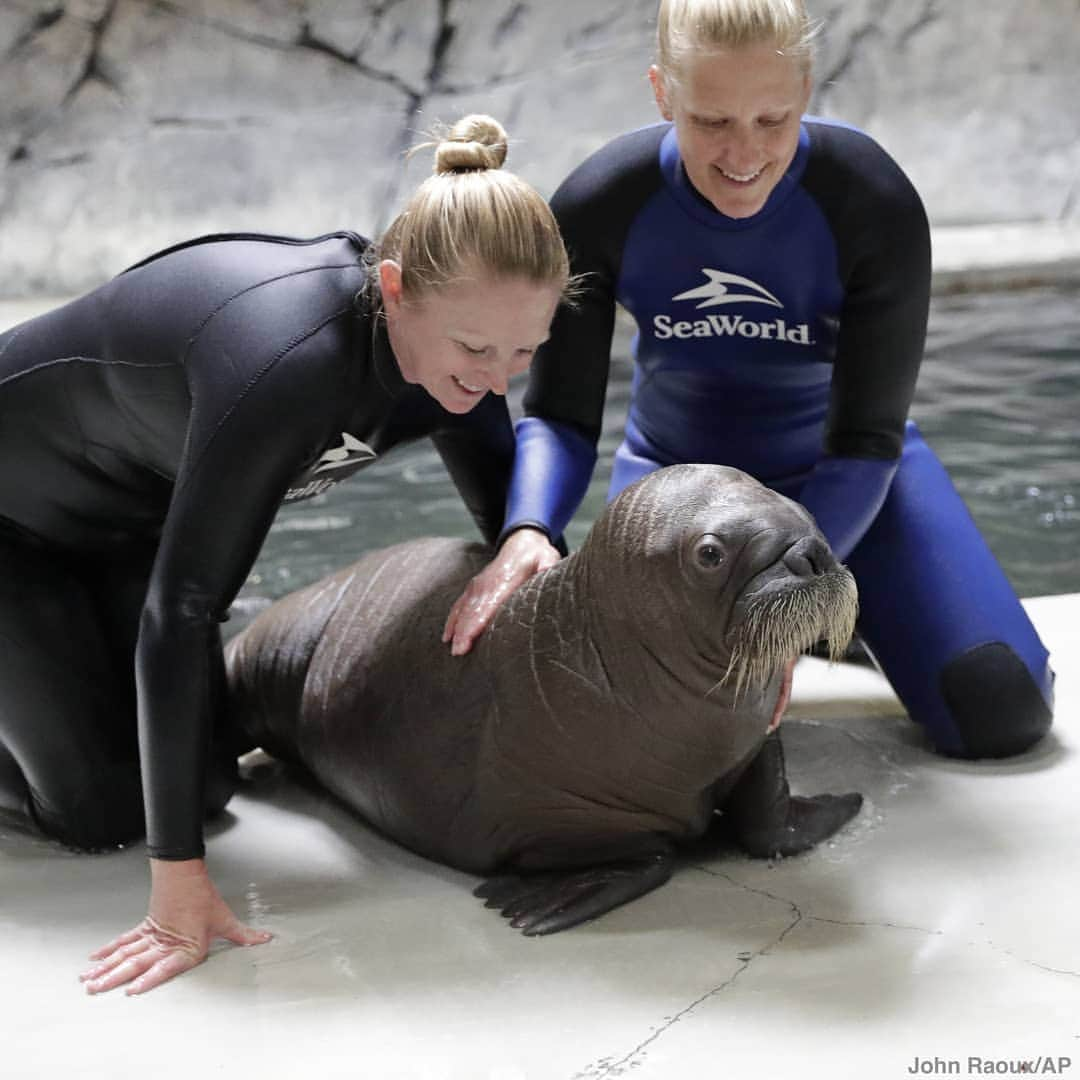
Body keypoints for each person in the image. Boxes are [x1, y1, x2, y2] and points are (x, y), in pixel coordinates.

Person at [0, 115, 571, 995]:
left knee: (209, 776)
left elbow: (513, 516)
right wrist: (176, 891)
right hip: (11, 536)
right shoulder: (286, 360)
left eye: (525, 351)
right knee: (104, 815)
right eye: (477, 349)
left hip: (112, 526)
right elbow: (182, 612)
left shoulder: (449, 367)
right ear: (394, 290)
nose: (497, 380)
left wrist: (533, 540)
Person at [443, 0, 1055, 761]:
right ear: (663, 92)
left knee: (998, 710)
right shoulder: (605, 201)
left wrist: (791, 596)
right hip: (683, 497)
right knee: (635, 748)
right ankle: (851, 624)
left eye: (773, 120)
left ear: (806, 87)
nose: (743, 154)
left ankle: (853, 621)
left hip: (847, 481)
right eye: (710, 121)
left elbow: (867, 440)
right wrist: (527, 530)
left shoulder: (868, 198)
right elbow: (564, 419)